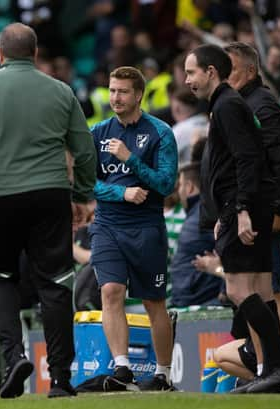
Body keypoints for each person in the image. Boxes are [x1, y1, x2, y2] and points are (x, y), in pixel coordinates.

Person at [0, 23, 97, 398]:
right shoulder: (61, 90)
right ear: (35, 53)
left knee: (0, 278)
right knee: (57, 283)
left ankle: (14, 357)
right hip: (50, 194)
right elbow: (84, 150)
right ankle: (61, 379)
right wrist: (81, 195)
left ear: (0, 54)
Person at [184, 43, 280, 393]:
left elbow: (248, 159)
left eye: (192, 72)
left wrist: (240, 210)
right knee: (262, 289)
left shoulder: (227, 106)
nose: (188, 80)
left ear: (210, 72)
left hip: (246, 210)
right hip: (246, 207)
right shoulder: (229, 104)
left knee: (239, 290)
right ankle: (274, 368)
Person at [90, 66, 177, 392]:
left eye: (123, 91)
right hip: (108, 224)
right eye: (112, 90)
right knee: (110, 292)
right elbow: (86, 182)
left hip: (146, 227)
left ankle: (163, 374)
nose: (115, 97)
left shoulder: (160, 133)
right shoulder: (97, 132)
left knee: (154, 302)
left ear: (138, 94)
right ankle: (122, 367)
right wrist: (121, 192)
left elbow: (167, 184)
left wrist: (131, 160)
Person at [224, 41, 280, 368]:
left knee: (272, 292)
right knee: (257, 293)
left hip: (264, 213)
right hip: (247, 212)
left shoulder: (262, 104)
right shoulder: (240, 104)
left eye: (230, 69)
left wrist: (275, 209)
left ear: (250, 71)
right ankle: (264, 367)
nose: (224, 76)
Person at [193, 253, 280, 392]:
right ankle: (276, 378)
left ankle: (267, 380)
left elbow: (243, 330)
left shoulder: (254, 288)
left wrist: (217, 269)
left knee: (219, 356)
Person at [169, 162, 222, 308]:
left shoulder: (204, 215)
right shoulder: (199, 213)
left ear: (189, 187)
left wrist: (223, 283)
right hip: (191, 299)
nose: (178, 191)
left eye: (180, 185)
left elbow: (232, 249)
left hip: (201, 303)